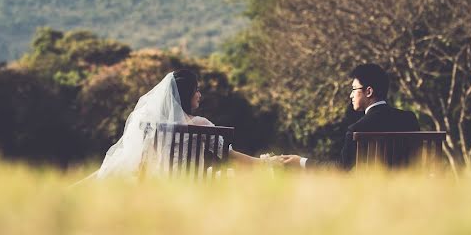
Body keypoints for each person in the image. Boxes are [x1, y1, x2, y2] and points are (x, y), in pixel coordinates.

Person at [95, 69, 266, 178]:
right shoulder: (201, 124)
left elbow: (141, 163)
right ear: (187, 93)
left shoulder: (153, 127)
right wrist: (263, 163)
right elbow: (229, 155)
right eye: (196, 90)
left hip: (159, 190)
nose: (199, 94)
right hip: (193, 191)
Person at [279, 63, 420, 170]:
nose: (351, 95)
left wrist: (301, 162)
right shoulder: (409, 118)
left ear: (369, 91)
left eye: (354, 89)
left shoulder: (358, 128)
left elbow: (341, 169)